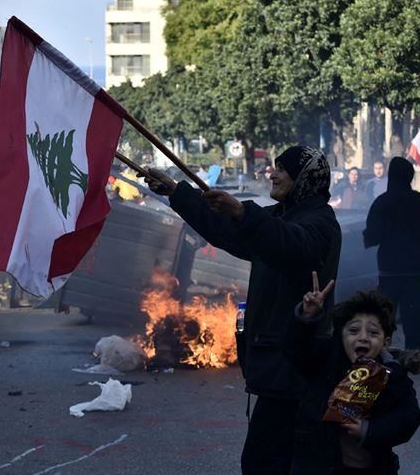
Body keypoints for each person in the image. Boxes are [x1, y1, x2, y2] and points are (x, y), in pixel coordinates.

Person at [142, 145, 341, 475]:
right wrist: (177, 193)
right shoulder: (283, 216)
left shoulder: (320, 223)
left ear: (305, 178)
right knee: (265, 462)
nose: (272, 174)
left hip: (296, 368)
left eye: (282, 169)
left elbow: (287, 243)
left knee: (270, 464)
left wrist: (242, 212)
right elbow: (228, 230)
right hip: (276, 367)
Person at [284, 282, 420, 475]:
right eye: (353, 330)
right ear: (341, 336)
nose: (363, 337)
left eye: (373, 332)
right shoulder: (326, 361)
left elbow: (410, 417)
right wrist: (307, 316)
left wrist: (369, 429)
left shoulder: (393, 376)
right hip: (319, 466)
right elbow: (295, 348)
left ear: (385, 342)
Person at [363, 157, 420, 359]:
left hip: (389, 270)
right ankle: (417, 356)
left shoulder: (382, 202)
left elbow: (372, 237)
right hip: (415, 270)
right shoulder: (418, 201)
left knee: (385, 317)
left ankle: (379, 355)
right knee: (415, 317)